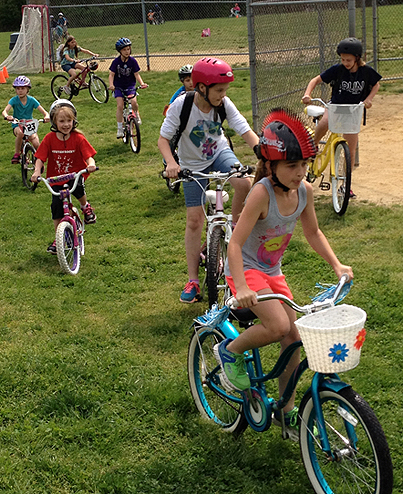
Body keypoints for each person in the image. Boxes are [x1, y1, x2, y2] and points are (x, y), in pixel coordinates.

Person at [213, 109, 353, 429]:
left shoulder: (303, 191)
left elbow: (313, 233)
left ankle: (285, 407)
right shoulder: (260, 192)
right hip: (244, 270)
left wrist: (336, 264)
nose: (300, 172)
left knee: (292, 336)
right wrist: (243, 288)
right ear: (271, 165)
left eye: (304, 164)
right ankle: (230, 350)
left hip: (272, 271)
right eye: (292, 165)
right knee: (277, 325)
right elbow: (234, 244)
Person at [158, 57, 259, 304]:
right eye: (219, 90)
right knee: (194, 221)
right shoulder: (181, 106)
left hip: (219, 153)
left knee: (243, 183)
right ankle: (193, 279)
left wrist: (262, 153)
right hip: (191, 164)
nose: (223, 95)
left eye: (225, 90)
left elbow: (244, 129)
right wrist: (172, 163)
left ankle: (234, 228)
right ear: (202, 87)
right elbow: (163, 140)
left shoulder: (223, 104)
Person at [302, 37, 382, 197]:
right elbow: (316, 80)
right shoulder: (338, 69)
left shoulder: (366, 71)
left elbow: (376, 84)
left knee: (351, 150)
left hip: (353, 111)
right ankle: (313, 146)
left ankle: (346, 184)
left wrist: (369, 99)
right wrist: (307, 94)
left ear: (357, 59)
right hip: (336, 107)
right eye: (343, 59)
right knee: (324, 122)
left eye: (349, 60)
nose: (345, 62)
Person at [31, 100, 97, 254]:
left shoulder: (78, 138)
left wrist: (91, 164)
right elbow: (40, 158)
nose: (66, 124)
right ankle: (58, 238)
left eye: (69, 120)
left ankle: (84, 206)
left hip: (75, 174)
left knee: (78, 187)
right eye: (62, 121)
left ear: (74, 121)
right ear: (54, 122)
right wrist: (36, 172)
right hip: (56, 178)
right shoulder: (49, 139)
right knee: (56, 206)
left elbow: (89, 156)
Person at [2, 76, 50, 164]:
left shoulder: (32, 100)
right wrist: (7, 116)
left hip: (29, 124)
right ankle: (16, 154)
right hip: (17, 124)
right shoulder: (14, 100)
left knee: (35, 143)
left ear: (27, 89)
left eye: (23, 88)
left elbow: (44, 112)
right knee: (20, 133)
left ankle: (39, 161)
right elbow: (5, 111)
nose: (20, 91)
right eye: (18, 88)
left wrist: (46, 116)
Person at [108, 37, 148, 137]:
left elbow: (136, 74)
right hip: (118, 86)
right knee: (120, 105)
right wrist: (111, 85)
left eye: (128, 49)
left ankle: (136, 114)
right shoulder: (116, 62)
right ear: (120, 51)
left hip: (130, 85)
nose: (127, 52)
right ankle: (120, 128)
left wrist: (142, 83)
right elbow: (111, 74)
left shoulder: (133, 61)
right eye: (124, 50)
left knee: (134, 102)